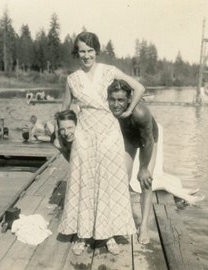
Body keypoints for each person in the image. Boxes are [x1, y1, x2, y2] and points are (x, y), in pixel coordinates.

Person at [59, 31, 145, 256]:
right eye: (81, 51)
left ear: (96, 51)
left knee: (108, 181)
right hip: (85, 134)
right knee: (84, 181)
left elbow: (139, 88)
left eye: (90, 51)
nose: (86, 56)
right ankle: (82, 235)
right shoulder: (72, 79)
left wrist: (126, 112)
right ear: (76, 53)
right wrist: (65, 132)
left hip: (108, 132)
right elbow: (64, 110)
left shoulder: (110, 72)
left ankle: (108, 235)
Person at [107, 79, 204, 244]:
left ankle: (143, 226)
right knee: (121, 177)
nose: (116, 104)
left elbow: (148, 143)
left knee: (145, 180)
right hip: (128, 138)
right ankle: (121, 220)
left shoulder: (141, 112)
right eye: (113, 100)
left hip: (149, 138)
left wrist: (144, 168)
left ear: (130, 99)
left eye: (121, 100)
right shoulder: (107, 110)